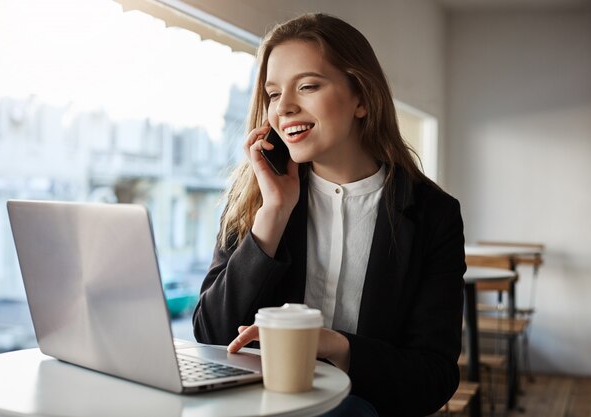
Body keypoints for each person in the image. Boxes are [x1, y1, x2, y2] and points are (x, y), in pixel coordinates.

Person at [192, 13, 466, 417]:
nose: (283, 107)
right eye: (271, 94)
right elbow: (211, 337)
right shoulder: (254, 198)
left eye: (307, 86)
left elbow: (433, 377)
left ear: (362, 98)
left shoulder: (433, 215)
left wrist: (335, 345)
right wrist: (273, 215)